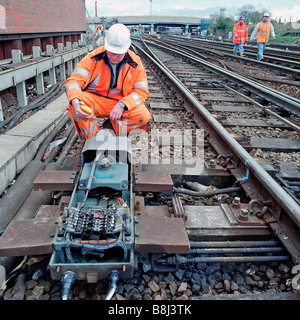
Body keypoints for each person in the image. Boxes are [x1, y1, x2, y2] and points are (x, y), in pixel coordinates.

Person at [65, 23, 151, 139]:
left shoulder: (135, 63)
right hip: (96, 101)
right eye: (112, 53)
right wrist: (75, 101)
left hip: (119, 102)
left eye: (119, 54)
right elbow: (74, 81)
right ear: (106, 47)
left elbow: (142, 90)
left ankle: (113, 128)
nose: (114, 57)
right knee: (78, 104)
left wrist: (122, 104)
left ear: (126, 50)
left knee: (143, 116)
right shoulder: (93, 58)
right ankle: (93, 137)